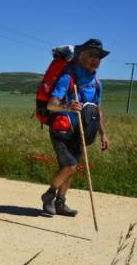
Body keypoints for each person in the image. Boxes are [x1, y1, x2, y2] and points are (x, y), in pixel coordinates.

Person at [41, 38, 110, 216]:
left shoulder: (96, 83)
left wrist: (104, 134)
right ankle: (49, 195)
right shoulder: (68, 77)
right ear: (81, 56)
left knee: (71, 168)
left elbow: (98, 110)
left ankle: (61, 203)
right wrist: (67, 106)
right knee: (69, 166)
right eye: (92, 55)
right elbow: (51, 105)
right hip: (62, 128)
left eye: (99, 56)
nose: (96, 59)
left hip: (82, 130)